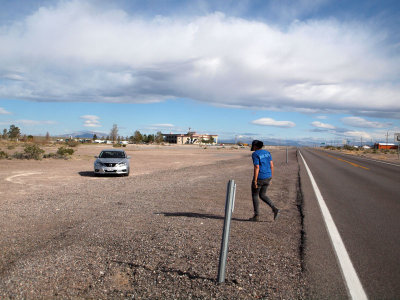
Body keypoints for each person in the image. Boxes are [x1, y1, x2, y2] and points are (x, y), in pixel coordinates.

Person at [249, 140, 280, 221]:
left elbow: (257, 167)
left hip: (260, 177)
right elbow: (272, 165)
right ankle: (274, 208)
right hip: (268, 176)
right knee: (262, 195)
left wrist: (255, 181)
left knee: (255, 195)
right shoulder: (267, 152)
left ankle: (256, 216)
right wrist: (271, 177)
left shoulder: (255, 154)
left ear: (255, 146)